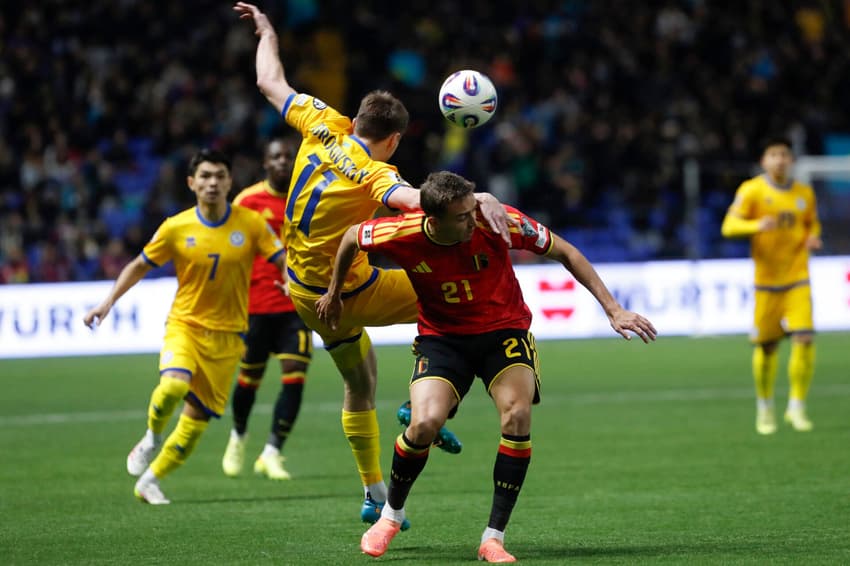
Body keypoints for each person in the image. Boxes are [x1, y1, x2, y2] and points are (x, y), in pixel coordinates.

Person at [234, 2, 516, 526]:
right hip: (348, 290)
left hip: (307, 291)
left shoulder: (319, 122)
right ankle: (423, 404)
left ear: (356, 118)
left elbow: (268, 79)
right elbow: (418, 202)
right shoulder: (374, 171)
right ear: (392, 140)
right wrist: (477, 199)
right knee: (453, 302)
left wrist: (267, 30)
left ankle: (373, 491)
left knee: (359, 384)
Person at [316, 171, 657, 562]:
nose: (472, 218)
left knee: (517, 415)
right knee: (424, 423)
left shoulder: (497, 221)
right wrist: (334, 292)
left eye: (472, 209)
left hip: (504, 333)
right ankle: (390, 516)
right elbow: (350, 237)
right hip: (443, 339)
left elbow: (566, 251)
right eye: (462, 216)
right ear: (434, 219)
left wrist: (613, 310)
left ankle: (493, 537)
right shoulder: (401, 233)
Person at [83, 149, 286, 504]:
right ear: (191, 183)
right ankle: (150, 437)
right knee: (174, 385)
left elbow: (282, 258)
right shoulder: (176, 227)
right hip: (186, 325)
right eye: (205, 176)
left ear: (229, 182)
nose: (212, 183)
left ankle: (150, 480)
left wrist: (289, 279)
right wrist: (106, 303)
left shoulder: (251, 224)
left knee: (195, 425)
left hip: (229, 336)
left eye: (219, 176)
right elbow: (139, 265)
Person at [221, 137, 312, 481]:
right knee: (249, 380)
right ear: (265, 163)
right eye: (276, 156)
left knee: (295, 376)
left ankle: (272, 451)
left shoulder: (307, 199)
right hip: (256, 306)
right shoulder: (248, 202)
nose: (283, 161)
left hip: (297, 305)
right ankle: (238, 436)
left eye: (289, 156)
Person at [721, 136, 822, 435]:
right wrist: (756, 226)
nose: (779, 160)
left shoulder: (804, 193)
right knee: (768, 348)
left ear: (791, 161)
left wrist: (812, 237)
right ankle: (765, 407)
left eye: (784, 155)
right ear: (764, 161)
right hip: (766, 284)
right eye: (773, 155)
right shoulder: (752, 190)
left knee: (804, 338)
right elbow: (729, 226)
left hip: (797, 279)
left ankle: (797, 407)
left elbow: (811, 223)